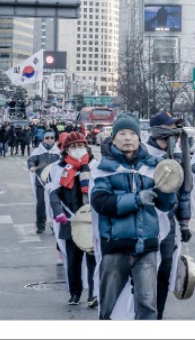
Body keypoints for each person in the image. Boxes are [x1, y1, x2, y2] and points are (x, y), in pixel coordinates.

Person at [91, 113, 176, 320]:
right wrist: (137, 199)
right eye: (122, 133)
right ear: (113, 139)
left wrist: (169, 187)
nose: (128, 138)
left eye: (132, 133)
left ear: (139, 138)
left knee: (147, 304)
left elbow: (165, 206)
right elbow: (101, 202)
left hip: (146, 246)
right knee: (109, 306)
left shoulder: (154, 166)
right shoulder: (103, 168)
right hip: (115, 246)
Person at [144, 111, 192, 319]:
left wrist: (184, 222)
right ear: (158, 131)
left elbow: (183, 192)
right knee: (145, 273)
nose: (175, 132)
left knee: (165, 271)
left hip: (168, 224)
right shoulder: (143, 154)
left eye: (175, 128)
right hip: (145, 222)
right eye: (170, 128)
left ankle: (158, 316)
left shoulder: (177, 156)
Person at [47, 132, 98, 307]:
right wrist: (58, 212)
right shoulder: (59, 168)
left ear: (86, 146)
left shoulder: (95, 166)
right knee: (73, 260)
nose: (77, 149)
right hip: (70, 219)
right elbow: (53, 193)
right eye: (73, 146)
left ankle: (94, 293)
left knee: (93, 259)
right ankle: (75, 293)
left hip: (91, 219)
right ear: (66, 150)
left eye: (80, 145)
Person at [27, 129, 62, 234]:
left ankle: (54, 225)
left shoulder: (57, 152)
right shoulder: (38, 151)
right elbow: (31, 160)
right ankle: (40, 225)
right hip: (41, 183)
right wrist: (32, 166)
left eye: (52, 138)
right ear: (43, 139)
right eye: (47, 138)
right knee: (41, 204)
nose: (49, 140)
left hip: (54, 184)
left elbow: (63, 163)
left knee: (54, 204)